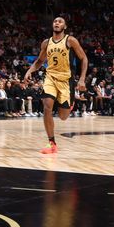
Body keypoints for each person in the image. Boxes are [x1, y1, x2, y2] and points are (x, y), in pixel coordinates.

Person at [24, 17, 88, 154]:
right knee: (47, 106)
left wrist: (82, 79)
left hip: (66, 81)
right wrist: (29, 70)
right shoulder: (46, 43)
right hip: (50, 77)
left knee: (63, 116)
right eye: (55, 21)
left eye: (60, 22)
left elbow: (84, 58)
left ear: (65, 26)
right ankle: (51, 143)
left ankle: (70, 104)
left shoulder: (70, 40)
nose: (57, 23)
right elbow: (40, 61)